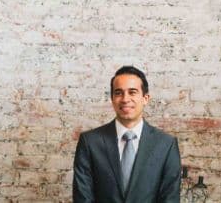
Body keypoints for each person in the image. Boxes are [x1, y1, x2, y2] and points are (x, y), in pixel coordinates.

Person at [73, 65, 181, 203]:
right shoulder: (90, 142)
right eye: (118, 93)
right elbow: (83, 198)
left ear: (145, 98)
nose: (125, 99)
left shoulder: (166, 145)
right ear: (112, 99)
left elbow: (170, 197)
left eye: (132, 92)